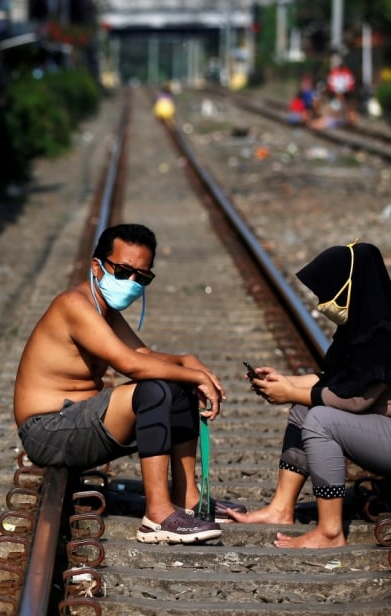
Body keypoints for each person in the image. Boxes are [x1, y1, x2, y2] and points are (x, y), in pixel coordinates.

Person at [14, 223, 245, 544]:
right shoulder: (73, 305)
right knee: (153, 389)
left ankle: (189, 500)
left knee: (173, 385)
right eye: (122, 272)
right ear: (97, 267)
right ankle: (157, 517)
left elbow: (144, 354)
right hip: (47, 432)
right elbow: (129, 364)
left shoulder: (103, 309)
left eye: (142, 277)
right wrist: (193, 374)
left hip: (77, 424)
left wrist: (185, 360)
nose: (132, 282)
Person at [228, 241, 391, 549]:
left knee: (321, 419)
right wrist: (285, 382)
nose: (323, 301)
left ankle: (330, 532)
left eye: (327, 291)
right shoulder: (363, 326)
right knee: (303, 409)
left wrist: (288, 393)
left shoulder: (385, 334)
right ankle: (281, 509)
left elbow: (354, 400)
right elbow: (335, 381)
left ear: (349, 285)